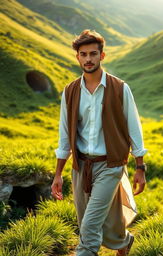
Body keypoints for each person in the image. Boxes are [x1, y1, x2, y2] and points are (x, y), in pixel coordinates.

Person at [51, 29, 147, 256]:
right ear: (77, 57)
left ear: (102, 56)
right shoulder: (70, 91)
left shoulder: (120, 88)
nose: (88, 59)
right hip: (81, 167)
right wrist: (58, 174)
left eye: (93, 54)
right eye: (83, 54)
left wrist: (140, 167)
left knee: (89, 227)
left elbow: (135, 129)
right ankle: (123, 242)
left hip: (110, 165)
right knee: (99, 219)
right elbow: (64, 135)